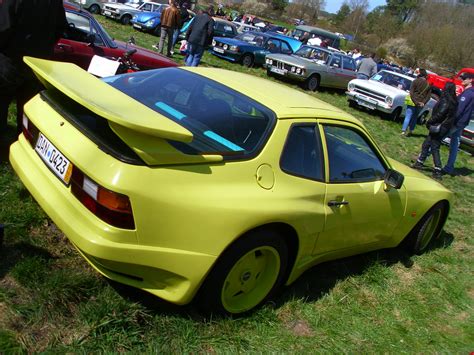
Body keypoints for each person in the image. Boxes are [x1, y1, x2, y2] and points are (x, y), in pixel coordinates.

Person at [0, 0, 67, 135]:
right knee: (26, 110)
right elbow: (61, 28)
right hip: (36, 66)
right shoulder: (55, 3)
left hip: (12, 62)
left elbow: (3, 28)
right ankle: (22, 143)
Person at [411, 82, 458, 180]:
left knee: (434, 147)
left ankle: (437, 170)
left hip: (439, 126)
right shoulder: (454, 101)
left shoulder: (446, 101)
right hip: (444, 127)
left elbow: (440, 114)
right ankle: (420, 162)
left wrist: (429, 121)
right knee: (427, 144)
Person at [442, 72, 474, 176]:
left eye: (465, 78)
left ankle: (421, 158)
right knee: (455, 143)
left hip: (457, 122)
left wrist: (449, 121)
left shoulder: (469, 93)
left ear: (471, 80)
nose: (462, 80)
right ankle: (449, 167)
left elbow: (459, 110)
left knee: (438, 138)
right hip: (462, 122)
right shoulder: (468, 92)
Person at [401, 68, 431, 136]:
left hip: (413, 101)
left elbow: (411, 92)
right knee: (415, 117)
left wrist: (415, 101)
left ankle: (403, 131)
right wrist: (423, 102)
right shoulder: (428, 85)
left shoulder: (415, 81)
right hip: (421, 103)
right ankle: (411, 131)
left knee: (408, 116)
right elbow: (428, 96)